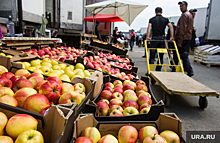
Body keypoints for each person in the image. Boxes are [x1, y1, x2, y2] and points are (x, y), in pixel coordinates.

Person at [146, 7, 174, 72]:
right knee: (160, 56)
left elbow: (149, 28)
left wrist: (148, 36)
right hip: (162, 39)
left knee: (152, 55)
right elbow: (171, 26)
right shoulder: (165, 19)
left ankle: (150, 70)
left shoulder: (152, 19)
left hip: (154, 39)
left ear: (155, 12)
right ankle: (158, 69)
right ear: (161, 12)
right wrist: (171, 36)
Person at [174, 1, 194, 77]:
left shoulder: (184, 15)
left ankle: (177, 68)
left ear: (186, 6)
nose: (180, 7)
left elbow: (182, 29)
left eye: (182, 6)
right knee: (184, 54)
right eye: (180, 6)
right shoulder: (189, 15)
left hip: (183, 38)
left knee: (179, 54)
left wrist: (180, 41)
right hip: (187, 38)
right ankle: (188, 69)